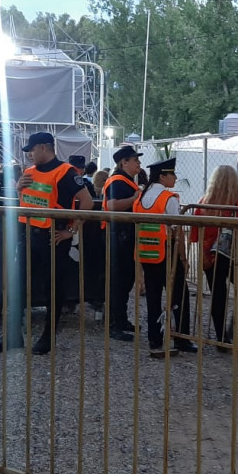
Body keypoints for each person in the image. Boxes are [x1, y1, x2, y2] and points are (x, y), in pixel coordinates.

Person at [15, 131, 93, 354]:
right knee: (19, 284)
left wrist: (71, 231)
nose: (29, 154)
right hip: (29, 235)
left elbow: (86, 202)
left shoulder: (66, 172)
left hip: (53, 239)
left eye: (31, 149)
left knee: (52, 288)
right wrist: (18, 188)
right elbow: (26, 201)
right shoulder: (28, 173)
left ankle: (48, 336)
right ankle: (15, 335)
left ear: (44, 147)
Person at [192, 165, 238, 350]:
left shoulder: (203, 202)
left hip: (211, 255)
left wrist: (202, 256)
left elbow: (196, 235)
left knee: (218, 295)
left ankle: (221, 338)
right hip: (237, 256)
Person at [133, 157, 195, 357]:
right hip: (167, 252)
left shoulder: (141, 197)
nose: (175, 178)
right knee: (179, 295)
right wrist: (183, 258)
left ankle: (154, 338)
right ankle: (182, 339)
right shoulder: (169, 199)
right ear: (163, 176)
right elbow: (177, 232)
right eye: (172, 174)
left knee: (153, 296)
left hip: (147, 253)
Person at [103, 144, 143, 342]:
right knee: (118, 281)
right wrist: (134, 198)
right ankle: (114, 325)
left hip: (125, 235)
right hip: (118, 235)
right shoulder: (117, 181)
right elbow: (111, 205)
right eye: (135, 160)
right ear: (124, 162)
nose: (139, 163)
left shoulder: (127, 180)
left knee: (126, 280)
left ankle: (121, 319)